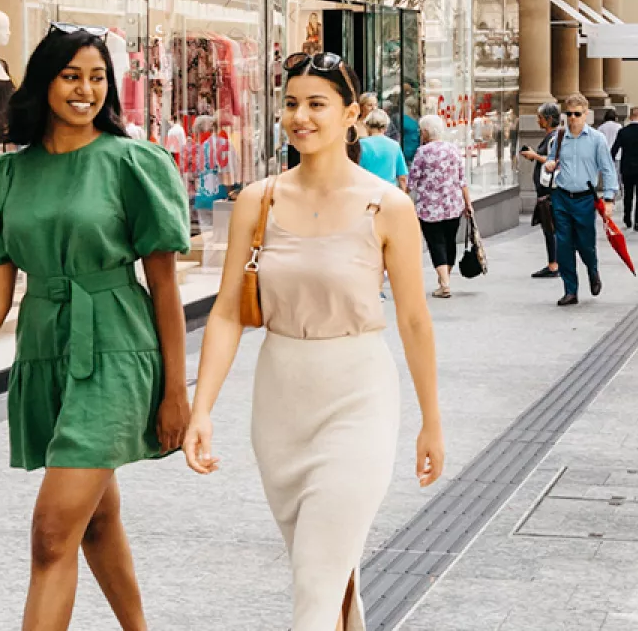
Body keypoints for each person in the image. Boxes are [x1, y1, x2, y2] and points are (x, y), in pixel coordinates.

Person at [0, 27, 191, 630]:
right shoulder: (6, 177)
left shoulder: (132, 163)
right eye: (71, 76)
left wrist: (176, 390)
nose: (86, 90)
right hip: (46, 346)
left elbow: (165, 287)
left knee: (50, 533)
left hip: (118, 347)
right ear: (44, 82)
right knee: (95, 518)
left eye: (97, 77)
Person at [184, 51, 445, 631]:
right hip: (280, 398)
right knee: (326, 570)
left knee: (315, 578)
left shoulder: (388, 205)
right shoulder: (260, 200)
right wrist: (202, 409)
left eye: (317, 104)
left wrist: (431, 419)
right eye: (292, 104)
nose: (301, 116)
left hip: (359, 397)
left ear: (352, 114)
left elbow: (414, 321)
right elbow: (227, 313)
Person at [542, 93, 619, 306]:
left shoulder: (597, 139)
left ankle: (592, 270)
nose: (573, 118)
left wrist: (609, 198)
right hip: (562, 197)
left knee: (586, 244)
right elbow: (551, 161)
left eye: (577, 114)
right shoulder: (558, 138)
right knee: (564, 245)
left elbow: (608, 170)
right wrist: (549, 165)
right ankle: (570, 290)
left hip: (585, 199)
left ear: (586, 115)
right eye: (569, 114)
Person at [408, 114, 473, 299]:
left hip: (430, 208)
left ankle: (444, 283)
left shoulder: (423, 152)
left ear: (426, 132)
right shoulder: (453, 149)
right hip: (453, 205)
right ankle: (445, 280)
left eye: (421, 131)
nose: (420, 134)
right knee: (450, 241)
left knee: (436, 243)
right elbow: (462, 179)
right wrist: (468, 203)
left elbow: (413, 180)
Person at [520, 103, 563, 278]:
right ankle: (554, 262)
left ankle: (554, 264)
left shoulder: (554, 138)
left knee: (550, 226)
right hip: (545, 189)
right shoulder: (552, 137)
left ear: (549, 119)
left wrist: (535, 156)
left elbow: (555, 160)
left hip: (549, 190)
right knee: (549, 226)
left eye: (541, 118)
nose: (538, 121)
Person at [358, 108, 409, 191]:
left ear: (367, 126)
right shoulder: (395, 146)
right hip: (389, 192)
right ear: (385, 127)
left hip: (368, 191)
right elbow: (402, 177)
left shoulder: (361, 145)